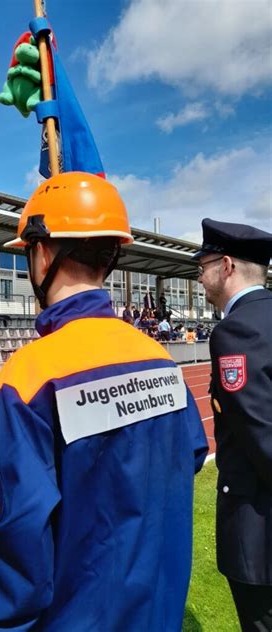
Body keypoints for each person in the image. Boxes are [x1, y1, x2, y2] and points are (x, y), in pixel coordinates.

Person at [0, 172, 208, 631]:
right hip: (159, 612)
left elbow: (13, 548)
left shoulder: (26, 379)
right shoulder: (159, 359)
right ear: (110, 255)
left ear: (43, 253)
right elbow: (190, 455)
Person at [194, 217, 272, 631]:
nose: (200, 278)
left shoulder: (236, 331)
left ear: (226, 266)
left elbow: (262, 437)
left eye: (202, 267)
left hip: (259, 533)